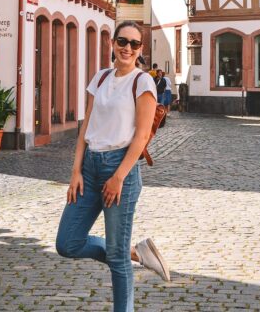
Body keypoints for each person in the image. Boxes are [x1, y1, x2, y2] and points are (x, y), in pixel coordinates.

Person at [56, 20, 170, 312]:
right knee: (67, 243)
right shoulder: (101, 78)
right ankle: (135, 251)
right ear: (113, 43)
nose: (127, 48)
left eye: (134, 44)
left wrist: (119, 176)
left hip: (121, 169)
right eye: (122, 41)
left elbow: (142, 135)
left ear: (140, 49)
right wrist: (76, 172)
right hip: (91, 167)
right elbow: (86, 126)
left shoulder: (142, 81)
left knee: (117, 261)